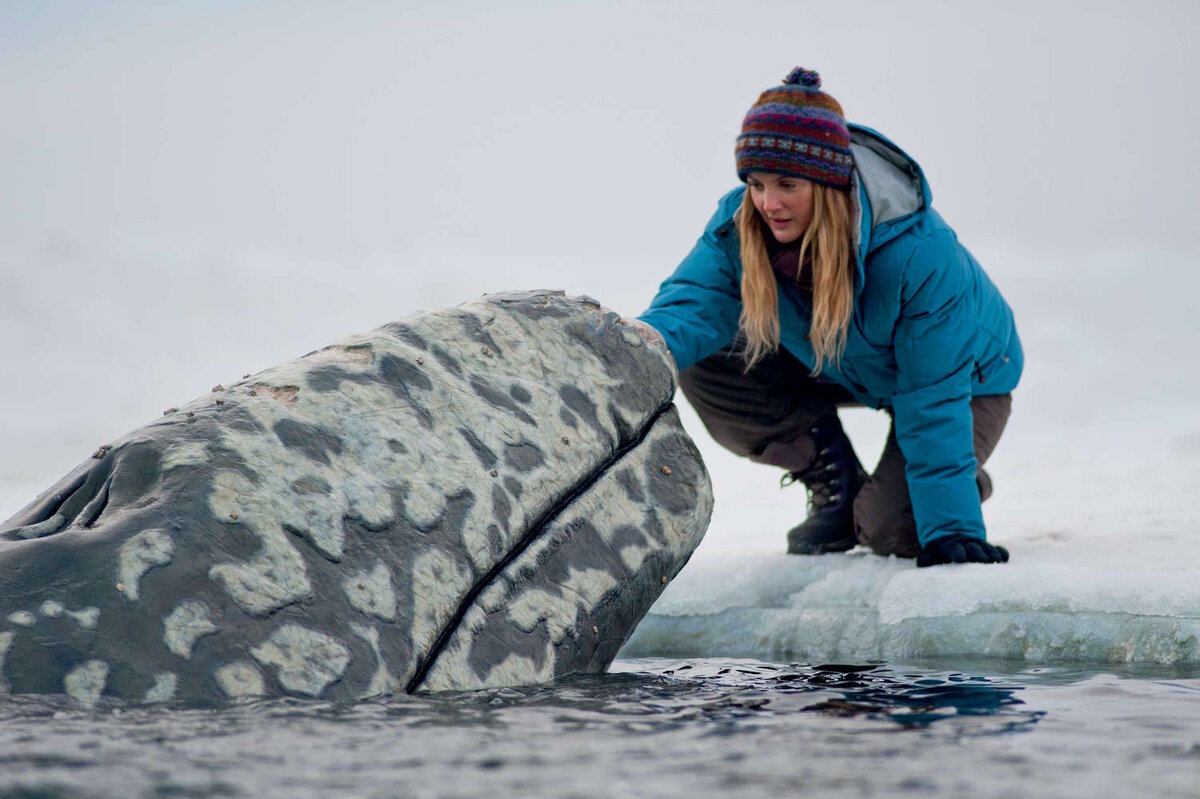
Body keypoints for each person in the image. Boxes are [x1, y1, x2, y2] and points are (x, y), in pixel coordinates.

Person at [636, 67, 1022, 567]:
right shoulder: (742, 223)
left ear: (827, 183)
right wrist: (636, 347)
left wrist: (950, 527)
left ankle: (953, 483)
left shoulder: (917, 252)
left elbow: (934, 396)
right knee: (707, 359)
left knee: (889, 529)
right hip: (847, 360)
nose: (768, 203)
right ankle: (833, 478)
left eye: (787, 183)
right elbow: (693, 302)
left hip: (967, 379)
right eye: (755, 183)